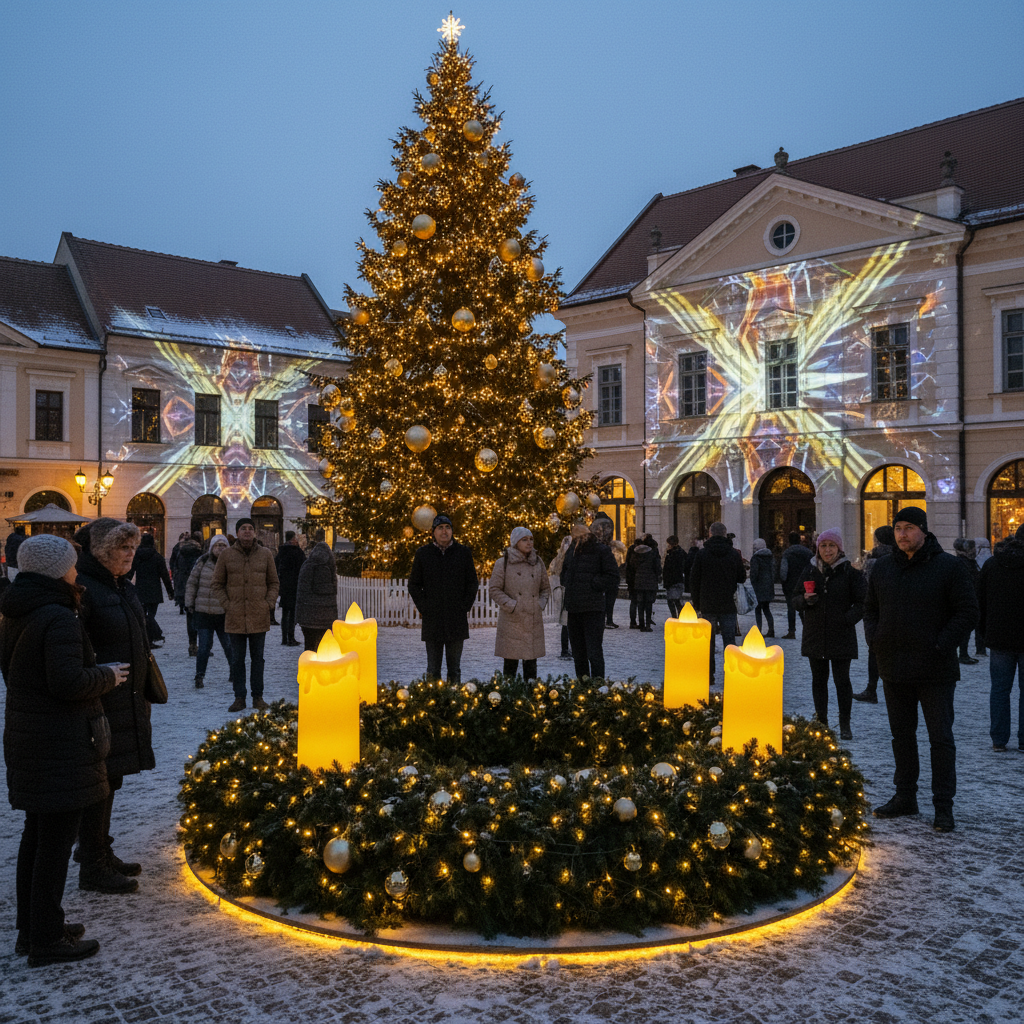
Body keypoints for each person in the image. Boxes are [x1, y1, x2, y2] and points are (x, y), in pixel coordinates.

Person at [0, 535, 128, 965]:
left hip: (31, 736)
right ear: (57, 571)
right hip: (60, 742)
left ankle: (34, 928)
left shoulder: (19, 610)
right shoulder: (58, 616)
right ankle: (47, 939)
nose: (77, 571)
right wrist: (107, 676)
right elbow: (67, 682)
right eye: (71, 564)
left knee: (36, 838)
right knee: (53, 846)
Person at [864, 506, 978, 833]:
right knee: (902, 736)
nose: (902, 534)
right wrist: (876, 639)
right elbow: (870, 609)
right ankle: (905, 796)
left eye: (909, 528)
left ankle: (943, 805)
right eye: (898, 528)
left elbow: (968, 612)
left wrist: (941, 645)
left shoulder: (948, 567)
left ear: (924, 531)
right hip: (894, 666)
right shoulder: (884, 567)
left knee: (940, 739)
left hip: (934, 670)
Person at [75, 518, 153, 894]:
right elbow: (78, 647)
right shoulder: (86, 588)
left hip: (125, 700)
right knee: (98, 782)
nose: (130, 553)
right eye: (123, 547)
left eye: (133, 547)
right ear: (103, 551)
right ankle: (92, 864)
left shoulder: (119, 585)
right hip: (102, 701)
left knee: (112, 779)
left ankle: (101, 851)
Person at [790, 529, 866, 740]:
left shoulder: (850, 572)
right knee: (818, 680)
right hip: (815, 634)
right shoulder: (810, 570)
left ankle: (845, 723)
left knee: (842, 681)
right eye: (823, 546)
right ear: (818, 548)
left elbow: (863, 602)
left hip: (841, 634)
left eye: (832, 545)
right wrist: (805, 600)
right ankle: (821, 722)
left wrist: (847, 619)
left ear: (839, 548)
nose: (827, 550)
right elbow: (794, 598)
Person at [211, 518, 280, 712]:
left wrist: (268, 604)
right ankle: (239, 697)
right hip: (235, 616)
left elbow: (274, 582)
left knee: (258, 660)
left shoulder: (265, 554)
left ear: (255, 532)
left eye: (250, 528)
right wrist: (227, 605)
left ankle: (258, 697)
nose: (247, 531)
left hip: (259, 615)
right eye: (243, 528)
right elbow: (217, 583)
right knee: (237, 660)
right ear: (237, 532)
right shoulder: (227, 555)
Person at [408, 515, 478, 684]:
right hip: (433, 620)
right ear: (433, 532)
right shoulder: (423, 554)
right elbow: (414, 584)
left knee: (454, 669)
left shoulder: (463, 553)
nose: (444, 531)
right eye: (440, 528)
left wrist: (464, 606)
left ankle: (454, 698)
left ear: (452, 531)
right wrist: (425, 607)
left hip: (456, 619)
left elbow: (472, 583)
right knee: (433, 669)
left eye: (447, 527)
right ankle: (434, 697)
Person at [977, 524, 1024, 752]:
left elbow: (980, 600)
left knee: (999, 690)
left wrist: (984, 631)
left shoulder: (993, 563)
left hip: (998, 636)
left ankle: (998, 739)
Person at [560, 519, 619, 679]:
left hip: (593, 608)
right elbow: (564, 572)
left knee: (594, 652)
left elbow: (613, 577)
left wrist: (594, 584)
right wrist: (567, 584)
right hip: (574, 608)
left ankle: (598, 685)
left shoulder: (601, 550)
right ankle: (583, 685)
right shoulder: (572, 550)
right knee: (578, 653)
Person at [489, 526, 550, 680]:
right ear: (516, 542)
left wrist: (540, 604)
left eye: (531, 539)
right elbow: (494, 589)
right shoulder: (503, 563)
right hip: (512, 621)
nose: (529, 543)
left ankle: (531, 693)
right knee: (510, 667)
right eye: (524, 539)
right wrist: (512, 605)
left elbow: (545, 588)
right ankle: (509, 694)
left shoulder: (538, 562)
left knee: (531, 667)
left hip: (532, 620)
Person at [689, 522, 746, 685]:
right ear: (725, 534)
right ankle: (731, 674)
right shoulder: (733, 554)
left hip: (707, 603)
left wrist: (697, 602)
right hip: (728, 603)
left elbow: (694, 579)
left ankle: (709, 675)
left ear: (710, 534)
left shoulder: (702, 554)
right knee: (730, 641)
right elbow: (741, 577)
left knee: (708, 642)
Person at [853, 524, 895, 704]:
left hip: (877, 610)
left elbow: (867, 586)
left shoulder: (873, 559)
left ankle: (872, 689)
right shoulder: (900, 557)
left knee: (875, 651)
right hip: (895, 609)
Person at [184, 535, 233, 689]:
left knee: (229, 646)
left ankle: (234, 671)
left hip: (223, 612)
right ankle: (199, 676)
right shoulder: (202, 562)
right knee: (204, 647)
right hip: (203, 612)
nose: (220, 548)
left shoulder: (232, 564)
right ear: (212, 547)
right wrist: (189, 603)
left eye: (223, 545)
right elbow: (192, 582)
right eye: (218, 545)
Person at [129, 533, 172, 647]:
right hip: (154, 591)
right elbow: (165, 576)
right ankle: (152, 638)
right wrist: (170, 592)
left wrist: (124, 585)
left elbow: (130, 572)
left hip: (140, 589)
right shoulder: (158, 557)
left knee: (142, 616)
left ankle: (145, 639)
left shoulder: (136, 556)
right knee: (151, 616)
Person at [295, 538, 338, 651]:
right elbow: (333, 596)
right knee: (324, 648)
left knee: (309, 646)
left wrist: (298, 616)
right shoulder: (331, 569)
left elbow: (301, 593)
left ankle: (308, 662)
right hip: (326, 619)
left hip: (308, 619)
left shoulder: (307, 565)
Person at [172, 532, 203, 655]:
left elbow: (174, 567)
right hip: (196, 588)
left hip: (183, 587)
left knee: (189, 617)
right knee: (201, 618)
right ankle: (202, 645)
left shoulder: (180, 551)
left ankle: (192, 644)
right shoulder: (199, 553)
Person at [779, 532, 812, 639]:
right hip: (805, 584)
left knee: (791, 607)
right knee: (804, 608)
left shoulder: (787, 553)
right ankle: (807, 629)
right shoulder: (808, 552)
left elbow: (783, 571)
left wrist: (783, 581)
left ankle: (791, 631)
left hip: (790, 584)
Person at [275, 531, 306, 646]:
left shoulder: (281, 552)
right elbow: (303, 568)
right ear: (293, 539)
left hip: (284, 586)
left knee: (285, 613)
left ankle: (284, 638)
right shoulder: (297, 552)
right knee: (292, 613)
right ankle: (291, 637)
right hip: (294, 586)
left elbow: (275, 567)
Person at [627, 533, 661, 631]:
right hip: (650, 580)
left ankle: (641, 624)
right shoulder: (653, 553)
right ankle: (647, 624)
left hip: (638, 580)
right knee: (648, 604)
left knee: (640, 603)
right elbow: (657, 568)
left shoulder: (637, 553)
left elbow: (632, 565)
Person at [547, 535, 573, 660]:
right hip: (565, 592)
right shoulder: (563, 559)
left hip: (563, 592)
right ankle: (565, 649)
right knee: (567, 623)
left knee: (567, 623)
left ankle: (567, 649)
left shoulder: (559, 559)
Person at [748, 538, 776, 638]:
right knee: (766, 609)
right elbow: (773, 571)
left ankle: (758, 631)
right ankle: (771, 630)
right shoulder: (770, 557)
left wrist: (752, 582)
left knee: (758, 610)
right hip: (768, 587)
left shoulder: (756, 558)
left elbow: (754, 574)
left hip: (758, 587)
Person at [663, 535, 686, 619]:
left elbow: (668, 568)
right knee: (676, 600)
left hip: (673, 581)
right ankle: (680, 616)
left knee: (671, 601)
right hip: (679, 579)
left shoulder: (672, 554)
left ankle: (675, 617)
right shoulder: (681, 552)